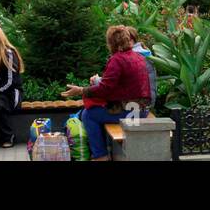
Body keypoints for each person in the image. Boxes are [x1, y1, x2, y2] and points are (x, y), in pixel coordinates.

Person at [63, 24, 151, 161]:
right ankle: (104, 152)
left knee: (89, 114)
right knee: (95, 111)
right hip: (142, 109)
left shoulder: (117, 59)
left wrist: (81, 90)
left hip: (130, 112)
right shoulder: (138, 57)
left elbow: (105, 89)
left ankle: (100, 156)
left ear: (111, 43)